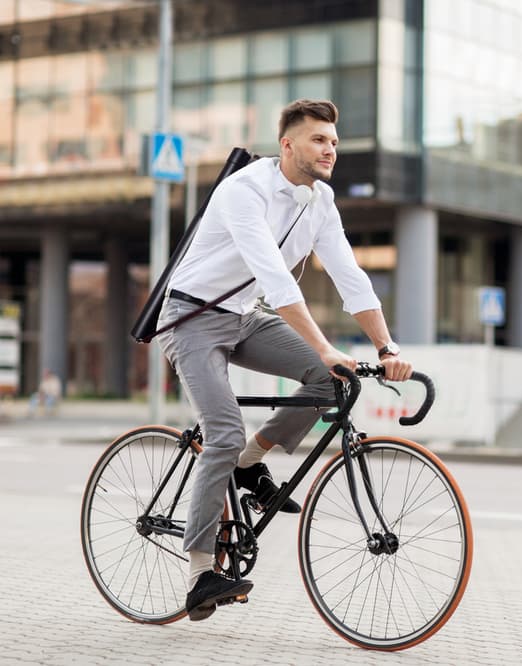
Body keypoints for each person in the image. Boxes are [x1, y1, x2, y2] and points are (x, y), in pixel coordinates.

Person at [156, 98, 413, 622]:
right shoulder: (243, 190)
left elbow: (350, 276)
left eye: (335, 142)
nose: (330, 150)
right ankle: (200, 571)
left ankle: (251, 463)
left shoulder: (321, 201)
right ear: (288, 144)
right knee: (222, 432)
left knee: (328, 378)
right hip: (191, 317)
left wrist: (387, 348)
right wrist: (323, 342)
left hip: (244, 316)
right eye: (319, 139)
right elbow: (273, 276)